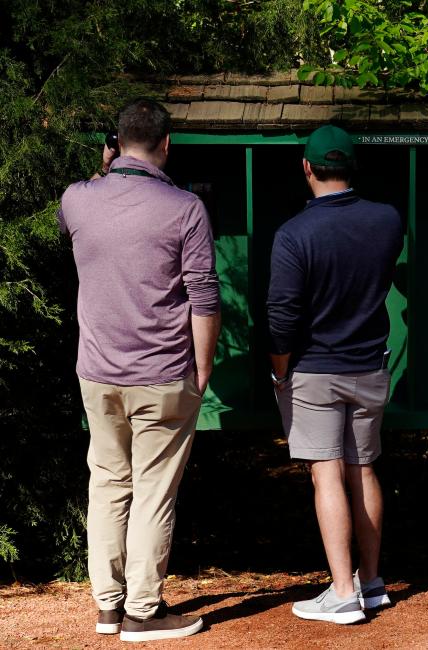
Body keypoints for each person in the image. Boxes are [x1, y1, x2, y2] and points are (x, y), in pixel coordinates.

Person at [58, 98, 220, 641]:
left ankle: (108, 607)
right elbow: (204, 295)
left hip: (97, 374)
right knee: (153, 491)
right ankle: (144, 612)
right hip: (163, 374)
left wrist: (103, 170)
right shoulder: (185, 209)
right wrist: (202, 368)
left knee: (106, 484)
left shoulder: (77, 200)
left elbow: (74, 218)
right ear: (167, 144)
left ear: (114, 145)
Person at [267, 125, 403, 625]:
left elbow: (282, 318)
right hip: (369, 367)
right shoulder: (387, 220)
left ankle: (343, 593)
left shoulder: (293, 234)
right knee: (362, 468)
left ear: (307, 168)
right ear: (351, 168)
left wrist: (279, 374)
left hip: (314, 372)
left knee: (326, 473)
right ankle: (370, 582)